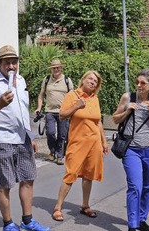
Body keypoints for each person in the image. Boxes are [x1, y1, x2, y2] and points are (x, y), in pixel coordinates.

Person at [0, 45, 50, 231]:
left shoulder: (20, 80)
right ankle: (8, 224)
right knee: (5, 183)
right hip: (2, 139)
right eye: (7, 63)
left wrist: (30, 136)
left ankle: (28, 221)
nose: (11, 66)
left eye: (14, 62)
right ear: (0, 64)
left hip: (23, 139)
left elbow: (21, 110)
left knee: (28, 179)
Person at [51, 70, 109, 222]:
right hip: (77, 143)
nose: (92, 82)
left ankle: (85, 205)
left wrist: (104, 142)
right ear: (83, 80)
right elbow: (62, 115)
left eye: (95, 81)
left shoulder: (95, 98)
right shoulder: (72, 95)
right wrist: (76, 106)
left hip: (94, 143)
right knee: (70, 174)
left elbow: (98, 122)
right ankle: (58, 207)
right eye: (90, 79)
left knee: (89, 175)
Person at [112, 70, 149, 231]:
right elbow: (115, 119)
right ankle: (133, 225)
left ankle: (142, 219)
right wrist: (127, 111)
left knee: (148, 185)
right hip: (131, 149)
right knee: (135, 186)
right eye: (137, 82)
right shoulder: (128, 97)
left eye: (143, 83)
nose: (139, 86)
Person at [35, 59, 74, 165]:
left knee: (62, 135)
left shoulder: (67, 80)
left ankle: (59, 155)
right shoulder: (47, 79)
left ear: (61, 68)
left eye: (58, 67)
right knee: (50, 133)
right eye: (54, 68)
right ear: (51, 69)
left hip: (63, 111)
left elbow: (72, 96)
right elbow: (41, 95)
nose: (56, 69)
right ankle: (53, 151)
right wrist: (39, 107)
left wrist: (71, 109)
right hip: (49, 111)